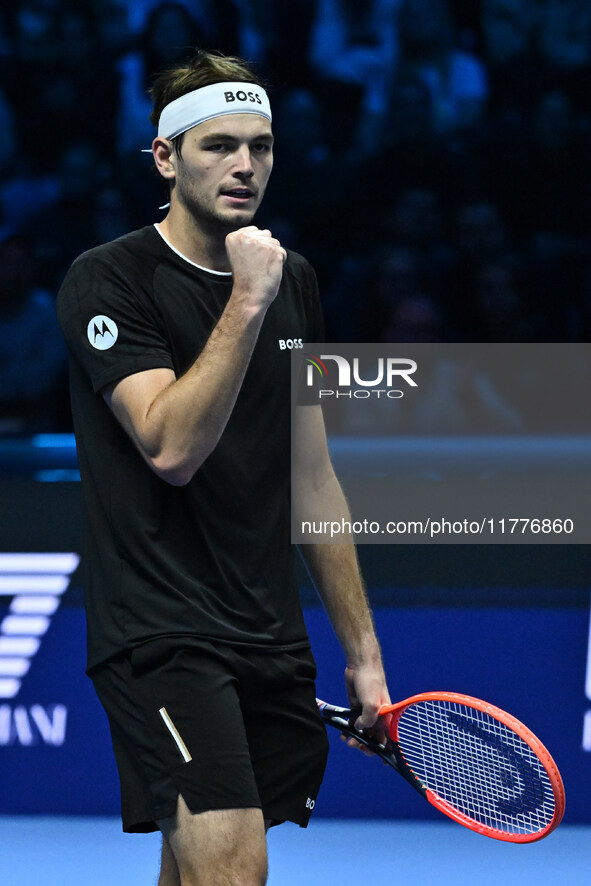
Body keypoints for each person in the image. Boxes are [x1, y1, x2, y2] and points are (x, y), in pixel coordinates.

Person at [57, 50, 389, 886]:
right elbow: (168, 448)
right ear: (165, 158)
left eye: (262, 145)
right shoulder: (106, 280)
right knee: (234, 868)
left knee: (196, 872)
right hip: (159, 631)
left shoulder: (295, 281)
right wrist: (245, 302)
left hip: (268, 630)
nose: (245, 166)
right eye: (218, 146)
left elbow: (312, 475)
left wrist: (363, 654)